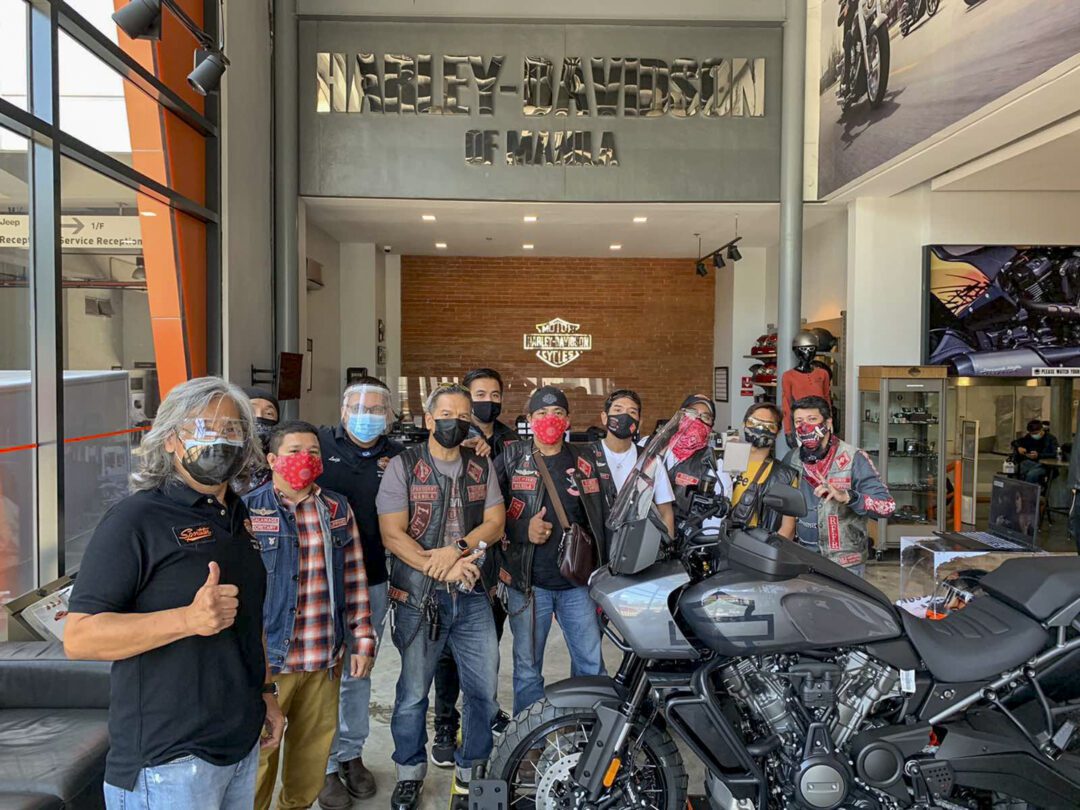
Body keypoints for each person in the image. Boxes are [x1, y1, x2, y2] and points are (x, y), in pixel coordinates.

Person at [63, 376, 284, 810]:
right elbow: (79, 637)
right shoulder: (135, 519)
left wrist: (266, 693)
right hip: (169, 760)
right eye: (202, 427)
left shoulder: (238, 515)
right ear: (169, 440)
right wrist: (186, 619)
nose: (218, 439)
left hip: (239, 744)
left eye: (231, 429)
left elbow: (248, 618)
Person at [378, 383, 506, 809]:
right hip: (419, 598)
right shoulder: (404, 466)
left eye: (463, 416)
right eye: (447, 414)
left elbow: (495, 523)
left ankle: (471, 771)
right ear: (430, 419)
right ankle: (409, 771)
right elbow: (393, 534)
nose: (455, 422)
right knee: (413, 693)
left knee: (483, 692)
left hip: (472, 596)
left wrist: (457, 550)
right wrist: (442, 567)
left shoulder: (480, 466)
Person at [244, 421, 376, 810]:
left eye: (313, 452)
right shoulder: (248, 509)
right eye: (294, 451)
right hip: (271, 665)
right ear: (272, 460)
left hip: (323, 659)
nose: (305, 459)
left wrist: (363, 639)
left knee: (310, 763)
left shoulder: (336, 508)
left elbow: (354, 577)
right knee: (258, 762)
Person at [495, 386, 610, 716]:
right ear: (529, 419)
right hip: (529, 585)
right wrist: (522, 529)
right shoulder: (511, 459)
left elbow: (605, 514)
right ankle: (527, 735)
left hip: (578, 584)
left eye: (558, 413)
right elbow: (488, 515)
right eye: (542, 413)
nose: (550, 419)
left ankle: (591, 730)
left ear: (568, 419)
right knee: (528, 668)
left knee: (590, 663)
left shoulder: (587, 459)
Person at [316, 377, 404, 808]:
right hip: (317, 581)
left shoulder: (400, 456)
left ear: (389, 415)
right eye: (359, 408)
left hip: (371, 580)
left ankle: (350, 753)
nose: (366, 417)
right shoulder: (317, 445)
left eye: (376, 410)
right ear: (343, 410)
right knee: (322, 675)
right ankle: (323, 763)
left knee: (358, 671)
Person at [432, 367, 514, 769]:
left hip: (492, 563)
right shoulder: (451, 440)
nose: (488, 401)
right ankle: (446, 722)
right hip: (450, 561)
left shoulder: (511, 442)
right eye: (480, 394)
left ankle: (484, 712)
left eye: (495, 394)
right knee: (447, 651)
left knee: (485, 650)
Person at [786, 396, 896, 576]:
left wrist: (848, 497)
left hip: (844, 563)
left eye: (812, 419)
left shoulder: (854, 458)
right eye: (799, 421)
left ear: (828, 423)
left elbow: (887, 506)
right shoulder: (793, 459)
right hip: (803, 558)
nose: (804, 427)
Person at [583, 388, 676, 536]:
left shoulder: (649, 460)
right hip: (595, 542)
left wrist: (668, 544)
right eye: (618, 410)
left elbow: (665, 511)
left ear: (639, 422)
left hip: (634, 542)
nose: (624, 416)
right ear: (604, 417)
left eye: (632, 412)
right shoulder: (586, 456)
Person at [726, 403, 798, 537]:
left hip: (757, 544)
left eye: (769, 426)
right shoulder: (725, 461)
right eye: (754, 422)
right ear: (744, 424)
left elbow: (788, 528)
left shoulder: (785, 475)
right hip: (719, 541)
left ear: (778, 432)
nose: (760, 428)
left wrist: (768, 548)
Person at [666, 394, 720, 528]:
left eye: (705, 417)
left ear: (711, 426)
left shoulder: (713, 465)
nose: (697, 420)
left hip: (683, 537)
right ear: (680, 416)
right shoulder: (653, 446)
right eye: (692, 413)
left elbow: (711, 527)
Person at [233, 387, 280, 494]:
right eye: (252, 411)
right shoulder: (224, 461)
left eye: (269, 413)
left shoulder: (280, 464)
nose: (259, 416)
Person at [462, 367, 518, 457]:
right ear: (466, 398)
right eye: (481, 395)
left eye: (495, 395)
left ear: (501, 399)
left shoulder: (512, 438)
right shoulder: (458, 438)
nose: (489, 399)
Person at [1011, 419, 1059, 486]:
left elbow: (1055, 454)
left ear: (1041, 430)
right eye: (1032, 434)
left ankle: (1028, 490)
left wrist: (1038, 455)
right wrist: (1019, 447)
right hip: (1030, 462)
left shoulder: (1051, 439)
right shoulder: (1029, 437)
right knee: (1014, 470)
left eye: (1036, 433)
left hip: (1044, 465)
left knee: (1031, 475)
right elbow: (1015, 442)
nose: (1034, 435)